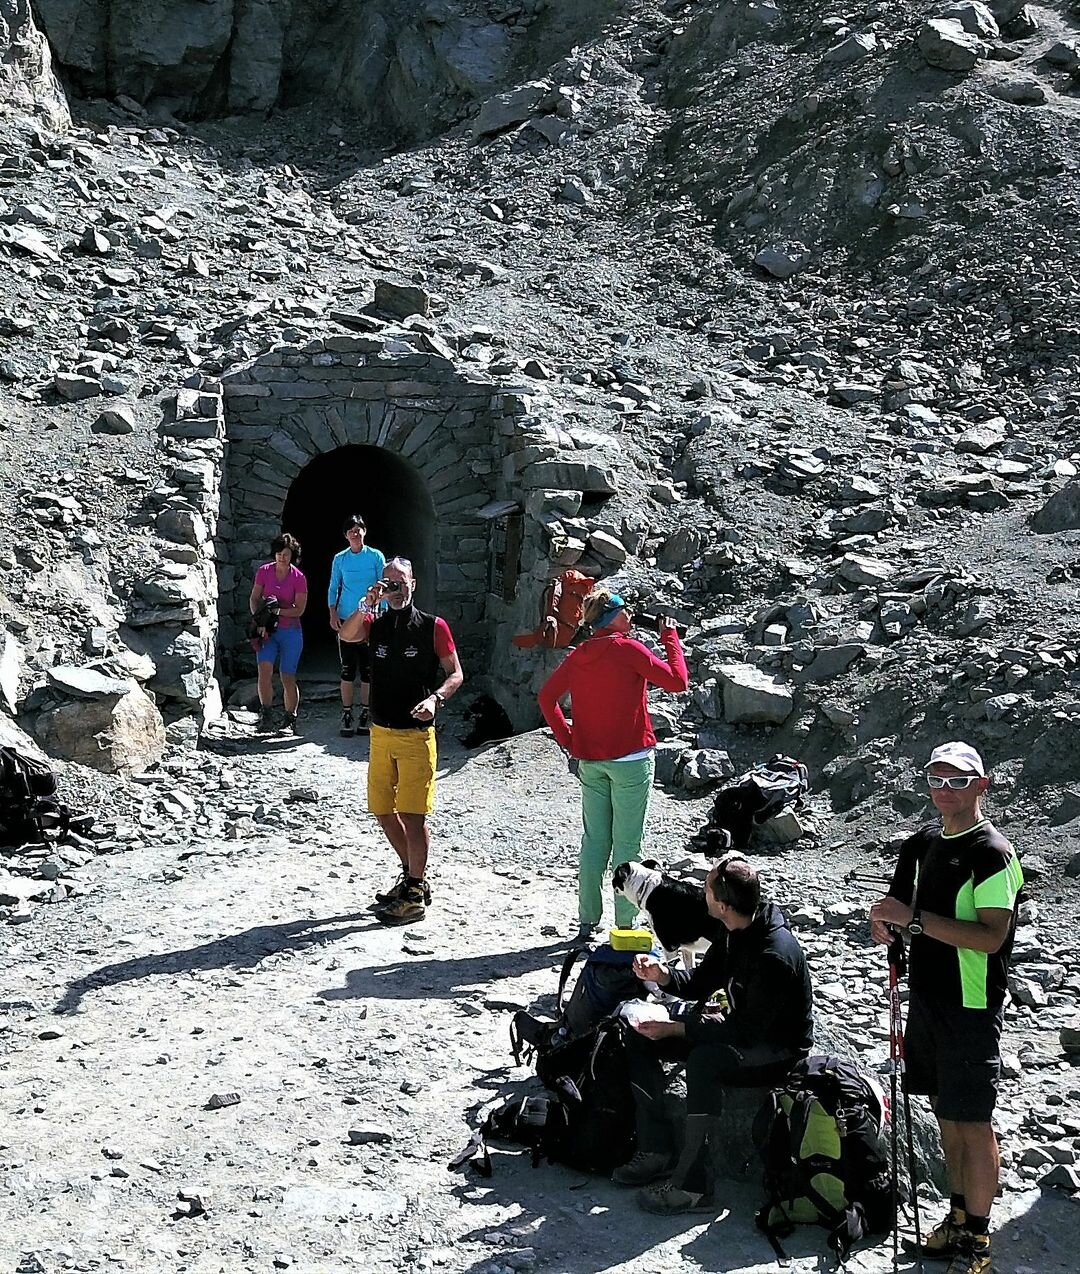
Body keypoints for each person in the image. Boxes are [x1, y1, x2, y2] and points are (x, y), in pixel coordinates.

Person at [869, 742, 1023, 1274]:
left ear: (982, 785)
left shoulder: (992, 852)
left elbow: (990, 937)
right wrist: (888, 923)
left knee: (973, 1122)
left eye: (958, 780)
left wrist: (911, 920)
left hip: (971, 1004)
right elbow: (898, 906)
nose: (944, 788)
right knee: (946, 1114)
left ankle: (977, 1240)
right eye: (936, 778)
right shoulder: (924, 842)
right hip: (929, 999)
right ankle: (957, 1220)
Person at [612, 855, 813, 1214]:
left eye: (705, 887)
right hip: (739, 1027)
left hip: (775, 1050)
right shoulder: (734, 929)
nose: (698, 890)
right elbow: (703, 982)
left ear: (721, 904)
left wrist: (678, 1029)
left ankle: (694, 1188)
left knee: (705, 1060)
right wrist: (662, 976)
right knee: (638, 1032)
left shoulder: (773, 955)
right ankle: (656, 1149)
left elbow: (746, 1033)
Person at [537, 588, 689, 942]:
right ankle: (626, 924)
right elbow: (678, 682)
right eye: (625, 613)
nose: (631, 618)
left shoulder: (579, 655)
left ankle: (587, 922)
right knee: (627, 845)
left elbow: (546, 698)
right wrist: (670, 637)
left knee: (594, 842)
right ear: (611, 617)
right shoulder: (628, 649)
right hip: (631, 760)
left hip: (590, 760)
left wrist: (569, 739)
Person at [339, 557, 463, 925]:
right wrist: (366, 604)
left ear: (414, 583)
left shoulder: (432, 626)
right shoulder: (374, 623)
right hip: (381, 731)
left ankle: (413, 892)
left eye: (400, 581)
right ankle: (413, 878)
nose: (394, 587)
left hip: (415, 736)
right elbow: (346, 635)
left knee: (412, 814)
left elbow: (455, 673)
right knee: (381, 808)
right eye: (388, 581)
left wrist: (435, 699)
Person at [328, 514, 385, 737]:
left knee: (369, 670)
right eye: (350, 529)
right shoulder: (340, 559)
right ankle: (347, 713)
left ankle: (365, 713)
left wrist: (383, 613)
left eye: (359, 528)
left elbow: (383, 584)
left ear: (364, 531)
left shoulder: (375, 556)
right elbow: (334, 586)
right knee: (347, 670)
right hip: (347, 618)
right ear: (345, 535)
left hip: (372, 619)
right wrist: (332, 612)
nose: (355, 532)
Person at [249, 533, 307, 733]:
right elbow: (255, 598)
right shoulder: (264, 572)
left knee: (287, 676)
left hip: (291, 632)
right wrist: (260, 620)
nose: (282, 557)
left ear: (293, 556)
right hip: (268, 631)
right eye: (279, 553)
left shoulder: (299, 578)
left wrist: (277, 612)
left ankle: (290, 718)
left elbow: (299, 609)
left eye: (286, 554)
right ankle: (266, 715)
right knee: (264, 672)